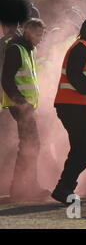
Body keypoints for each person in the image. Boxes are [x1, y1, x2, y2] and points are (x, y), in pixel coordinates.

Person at [52, 18, 86, 204]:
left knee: (80, 148)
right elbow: (75, 75)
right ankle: (64, 187)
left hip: (74, 106)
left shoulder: (84, 47)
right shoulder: (82, 47)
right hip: (73, 105)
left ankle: (63, 188)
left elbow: (84, 73)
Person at [1, 18, 49, 201]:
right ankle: (25, 188)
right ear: (28, 32)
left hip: (25, 106)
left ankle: (22, 188)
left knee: (29, 146)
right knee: (31, 145)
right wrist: (21, 102)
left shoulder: (28, 49)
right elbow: (6, 80)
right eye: (38, 35)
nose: (40, 39)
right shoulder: (16, 49)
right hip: (21, 106)